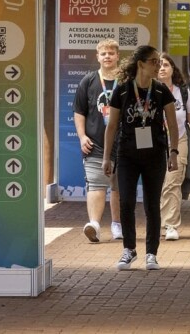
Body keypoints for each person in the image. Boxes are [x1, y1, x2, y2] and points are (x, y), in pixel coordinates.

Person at [103, 45, 179, 270]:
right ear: (141, 64)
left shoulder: (160, 90)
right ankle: (129, 249)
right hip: (127, 154)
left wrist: (173, 152)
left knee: (151, 204)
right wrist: (107, 157)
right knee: (126, 201)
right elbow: (112, 125)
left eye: (159, 61)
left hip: (155, 154)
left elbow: (173, 125)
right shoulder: (123, 90)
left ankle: (151, 253)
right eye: (154, 61)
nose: (159, 65)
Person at [73, 38, 122, 243]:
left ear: (117, 56)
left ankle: (117, 225)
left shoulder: (127, 81)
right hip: (95, 143)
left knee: (118, 186)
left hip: (123, 144)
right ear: (97, 57)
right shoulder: (88, 81)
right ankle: (94, 224)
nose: (107, 56)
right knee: (96, 184)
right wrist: (82, 136)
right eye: (103, 53)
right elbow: (79, 112)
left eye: (111, 53)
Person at [158, 53, 190, 241]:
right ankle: (158, 222)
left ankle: (170, 224)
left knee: (172, 181)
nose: (162, 68)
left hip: (179, 140)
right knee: (158, 183)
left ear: (173, 69)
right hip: (154, 142)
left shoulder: (182, 92)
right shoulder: (146, 90)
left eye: (166, 64)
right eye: (158, 65)